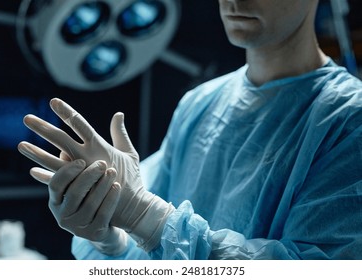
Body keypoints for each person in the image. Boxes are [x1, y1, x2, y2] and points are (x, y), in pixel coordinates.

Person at [18, 0, 362, 259]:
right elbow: (152, 252)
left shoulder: (348, 120)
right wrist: (109, 235)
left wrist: (142, 216)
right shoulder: (200, 104)